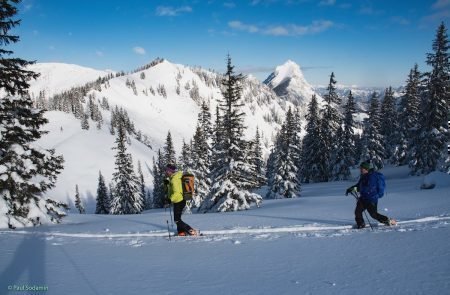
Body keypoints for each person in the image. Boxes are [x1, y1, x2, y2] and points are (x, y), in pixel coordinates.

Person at [346, 162, 396, 229]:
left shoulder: (372, 176)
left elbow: (369, 188)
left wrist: (357, 189)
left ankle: (388, 220)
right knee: (358, 211)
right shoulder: (363, 176)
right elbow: (359, 186)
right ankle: (361, 224)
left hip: (371, 199)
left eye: (362, 168)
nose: (360, 170)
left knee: (373, 215)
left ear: (366, 169)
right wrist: (351, 189)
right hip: (363, 198)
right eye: (360, 168)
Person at [165, 164, 197, 236]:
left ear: (171, 171)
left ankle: (190, 230)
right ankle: (181, 232)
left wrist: (170, 200)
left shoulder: (174, 179)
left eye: (167, 170)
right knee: (178, 218)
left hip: (179, 201)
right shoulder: (174, 177)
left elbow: (176, 193)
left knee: (176, 220)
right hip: (180, 200)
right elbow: (172, 191)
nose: (166, 172)